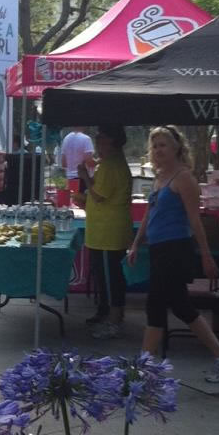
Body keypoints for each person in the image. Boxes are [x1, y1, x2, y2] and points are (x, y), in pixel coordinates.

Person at [127, 124, 219, 382]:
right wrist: (136, 243)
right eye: (155, 146)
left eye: (163, 145)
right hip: (158, 248)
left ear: (176, 147)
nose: (158, 150)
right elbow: (150, 214)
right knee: (178, 305)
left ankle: (143, 366)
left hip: (175, 248)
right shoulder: (160, 177)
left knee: (157, 304)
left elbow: (194, 220)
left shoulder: (183, 178)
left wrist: (206, 255)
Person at [84, 125, 134, 340]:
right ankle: (107, 313)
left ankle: (114, 320)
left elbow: (99, 195)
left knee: (110, 277)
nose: (97, 141)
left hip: (108, 232)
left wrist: (84, 177)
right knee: (107, 275)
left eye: (101, 137)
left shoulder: (111, 165)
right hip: (104, 230)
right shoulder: (110, 163)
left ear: (112, 140)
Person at [60, 126, 95, 198]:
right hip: (83, 179)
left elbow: (64, 163)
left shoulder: (66, 138)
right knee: (84, 202)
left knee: (74, 201)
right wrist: (99, 161)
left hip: (70, 178)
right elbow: (89, 162)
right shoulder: (86, 139)